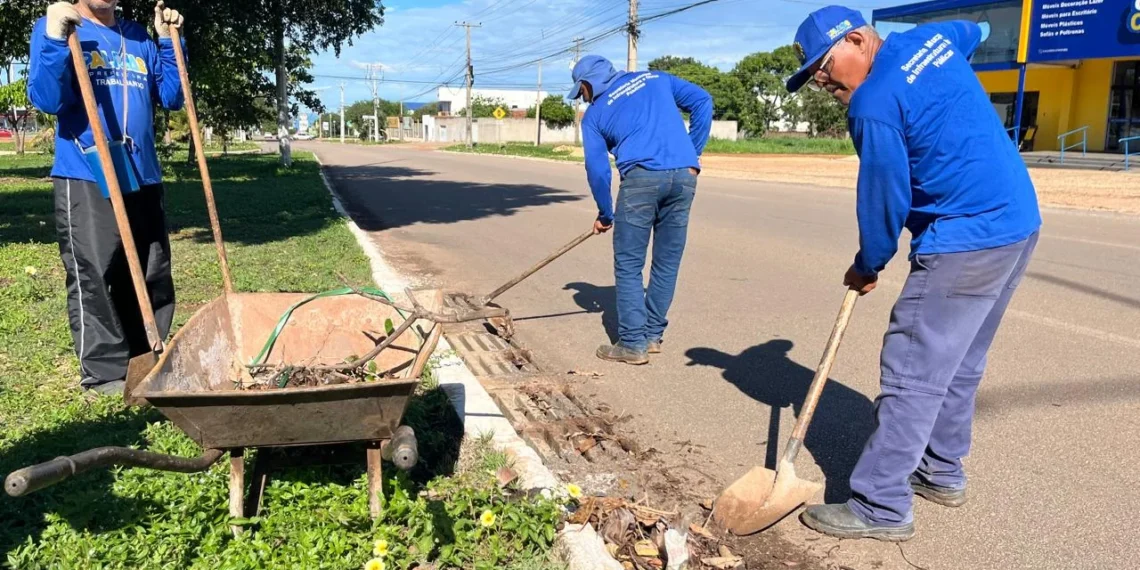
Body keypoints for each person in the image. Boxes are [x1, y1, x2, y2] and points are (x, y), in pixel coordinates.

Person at [783, 6, 1041, 540]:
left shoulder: (874, 105)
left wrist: (868, 264)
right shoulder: (935, 38)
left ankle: (880, 505)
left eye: (824, 67)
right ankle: (941, 471)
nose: (822, 83)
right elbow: (977, 31)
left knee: (912, 370)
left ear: (857, 40)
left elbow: (884, 200)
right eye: (814, 78)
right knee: (961, 360)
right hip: (1018, 222)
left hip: (964, 239)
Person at [28, 0, 186, 395]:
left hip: (142, 172)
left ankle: (146, 355)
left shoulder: (137, 37)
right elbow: (47, 99)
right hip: (86, 171)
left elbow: (172, 96)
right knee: (95, 272)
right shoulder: (62, 28)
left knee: (152, 271)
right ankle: (104, 371)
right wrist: (53, 38)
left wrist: (169, 42)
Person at [569, 55, 713, 365]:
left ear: (587, 85)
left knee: (629, 263)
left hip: (640, 180)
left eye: (581, 92)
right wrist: (692, 152)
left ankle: (632, 343)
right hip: (684, 177)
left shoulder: (594, 116)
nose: (582, 99)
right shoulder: (656, 79)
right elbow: (703, 100)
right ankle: (651, 336)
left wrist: (606, 213)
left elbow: (597, 170)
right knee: (667, 262)